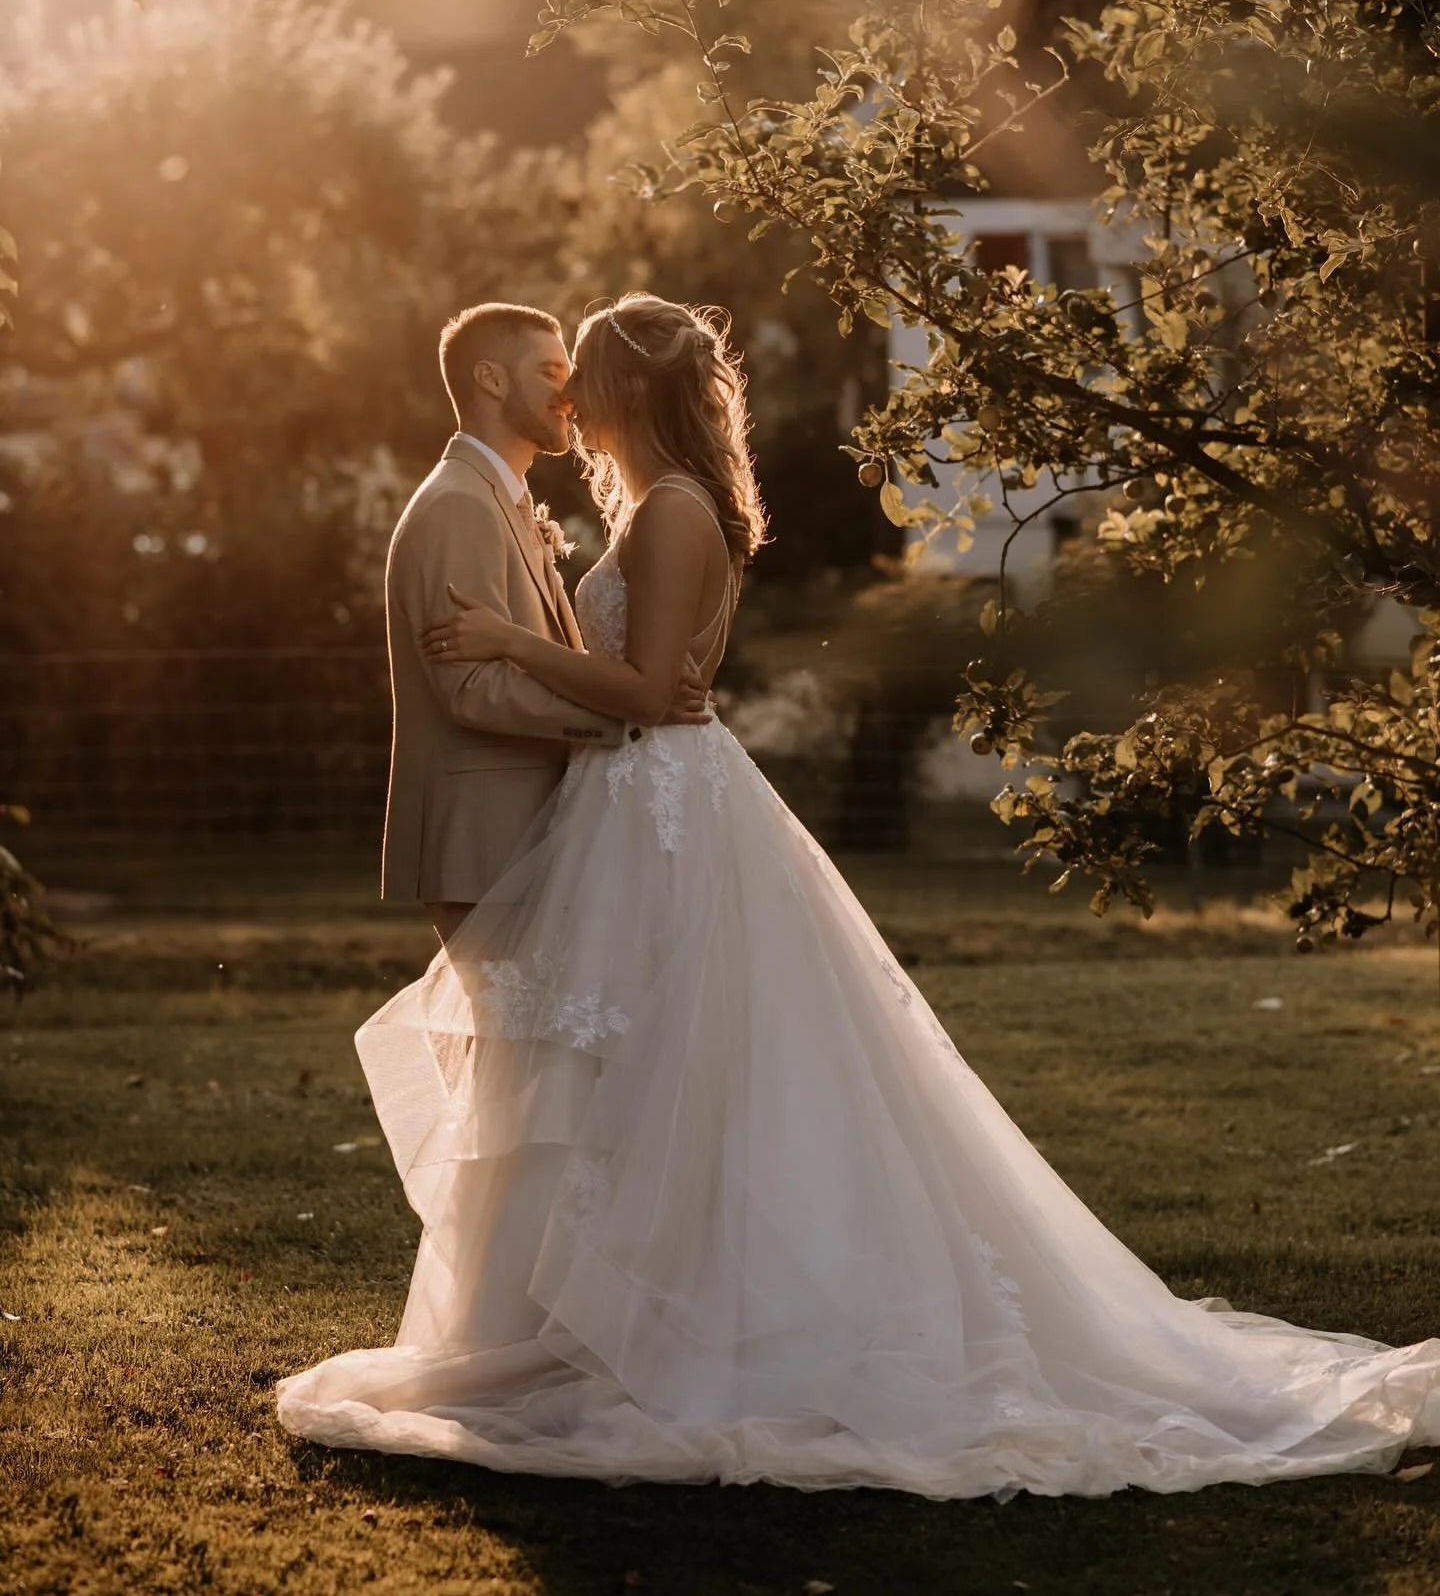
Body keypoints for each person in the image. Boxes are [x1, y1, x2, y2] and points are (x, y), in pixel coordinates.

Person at [278, 293, 1440, 1498]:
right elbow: (636, 686)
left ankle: (644, 1329)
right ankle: (579, 1321)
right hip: (635, 807)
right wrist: (597, 676)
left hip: (660, 808)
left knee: (657, 1070)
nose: (570, 394)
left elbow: (638, 690)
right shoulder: (626, 508)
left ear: (629, 390)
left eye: (585, 374)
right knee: (624, 1072)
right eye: (553, 373)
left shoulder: (673, 513)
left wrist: (521, 647)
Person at [380, 301, 708, 944]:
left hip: (529, 825)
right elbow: (470, 687)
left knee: (535, 1043)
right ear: (491, 380)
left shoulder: (500, 498)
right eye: (551, 371)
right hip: (481, 834)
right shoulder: (458, 505)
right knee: (506, 1043)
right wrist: (628, 717)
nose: (570, 392)